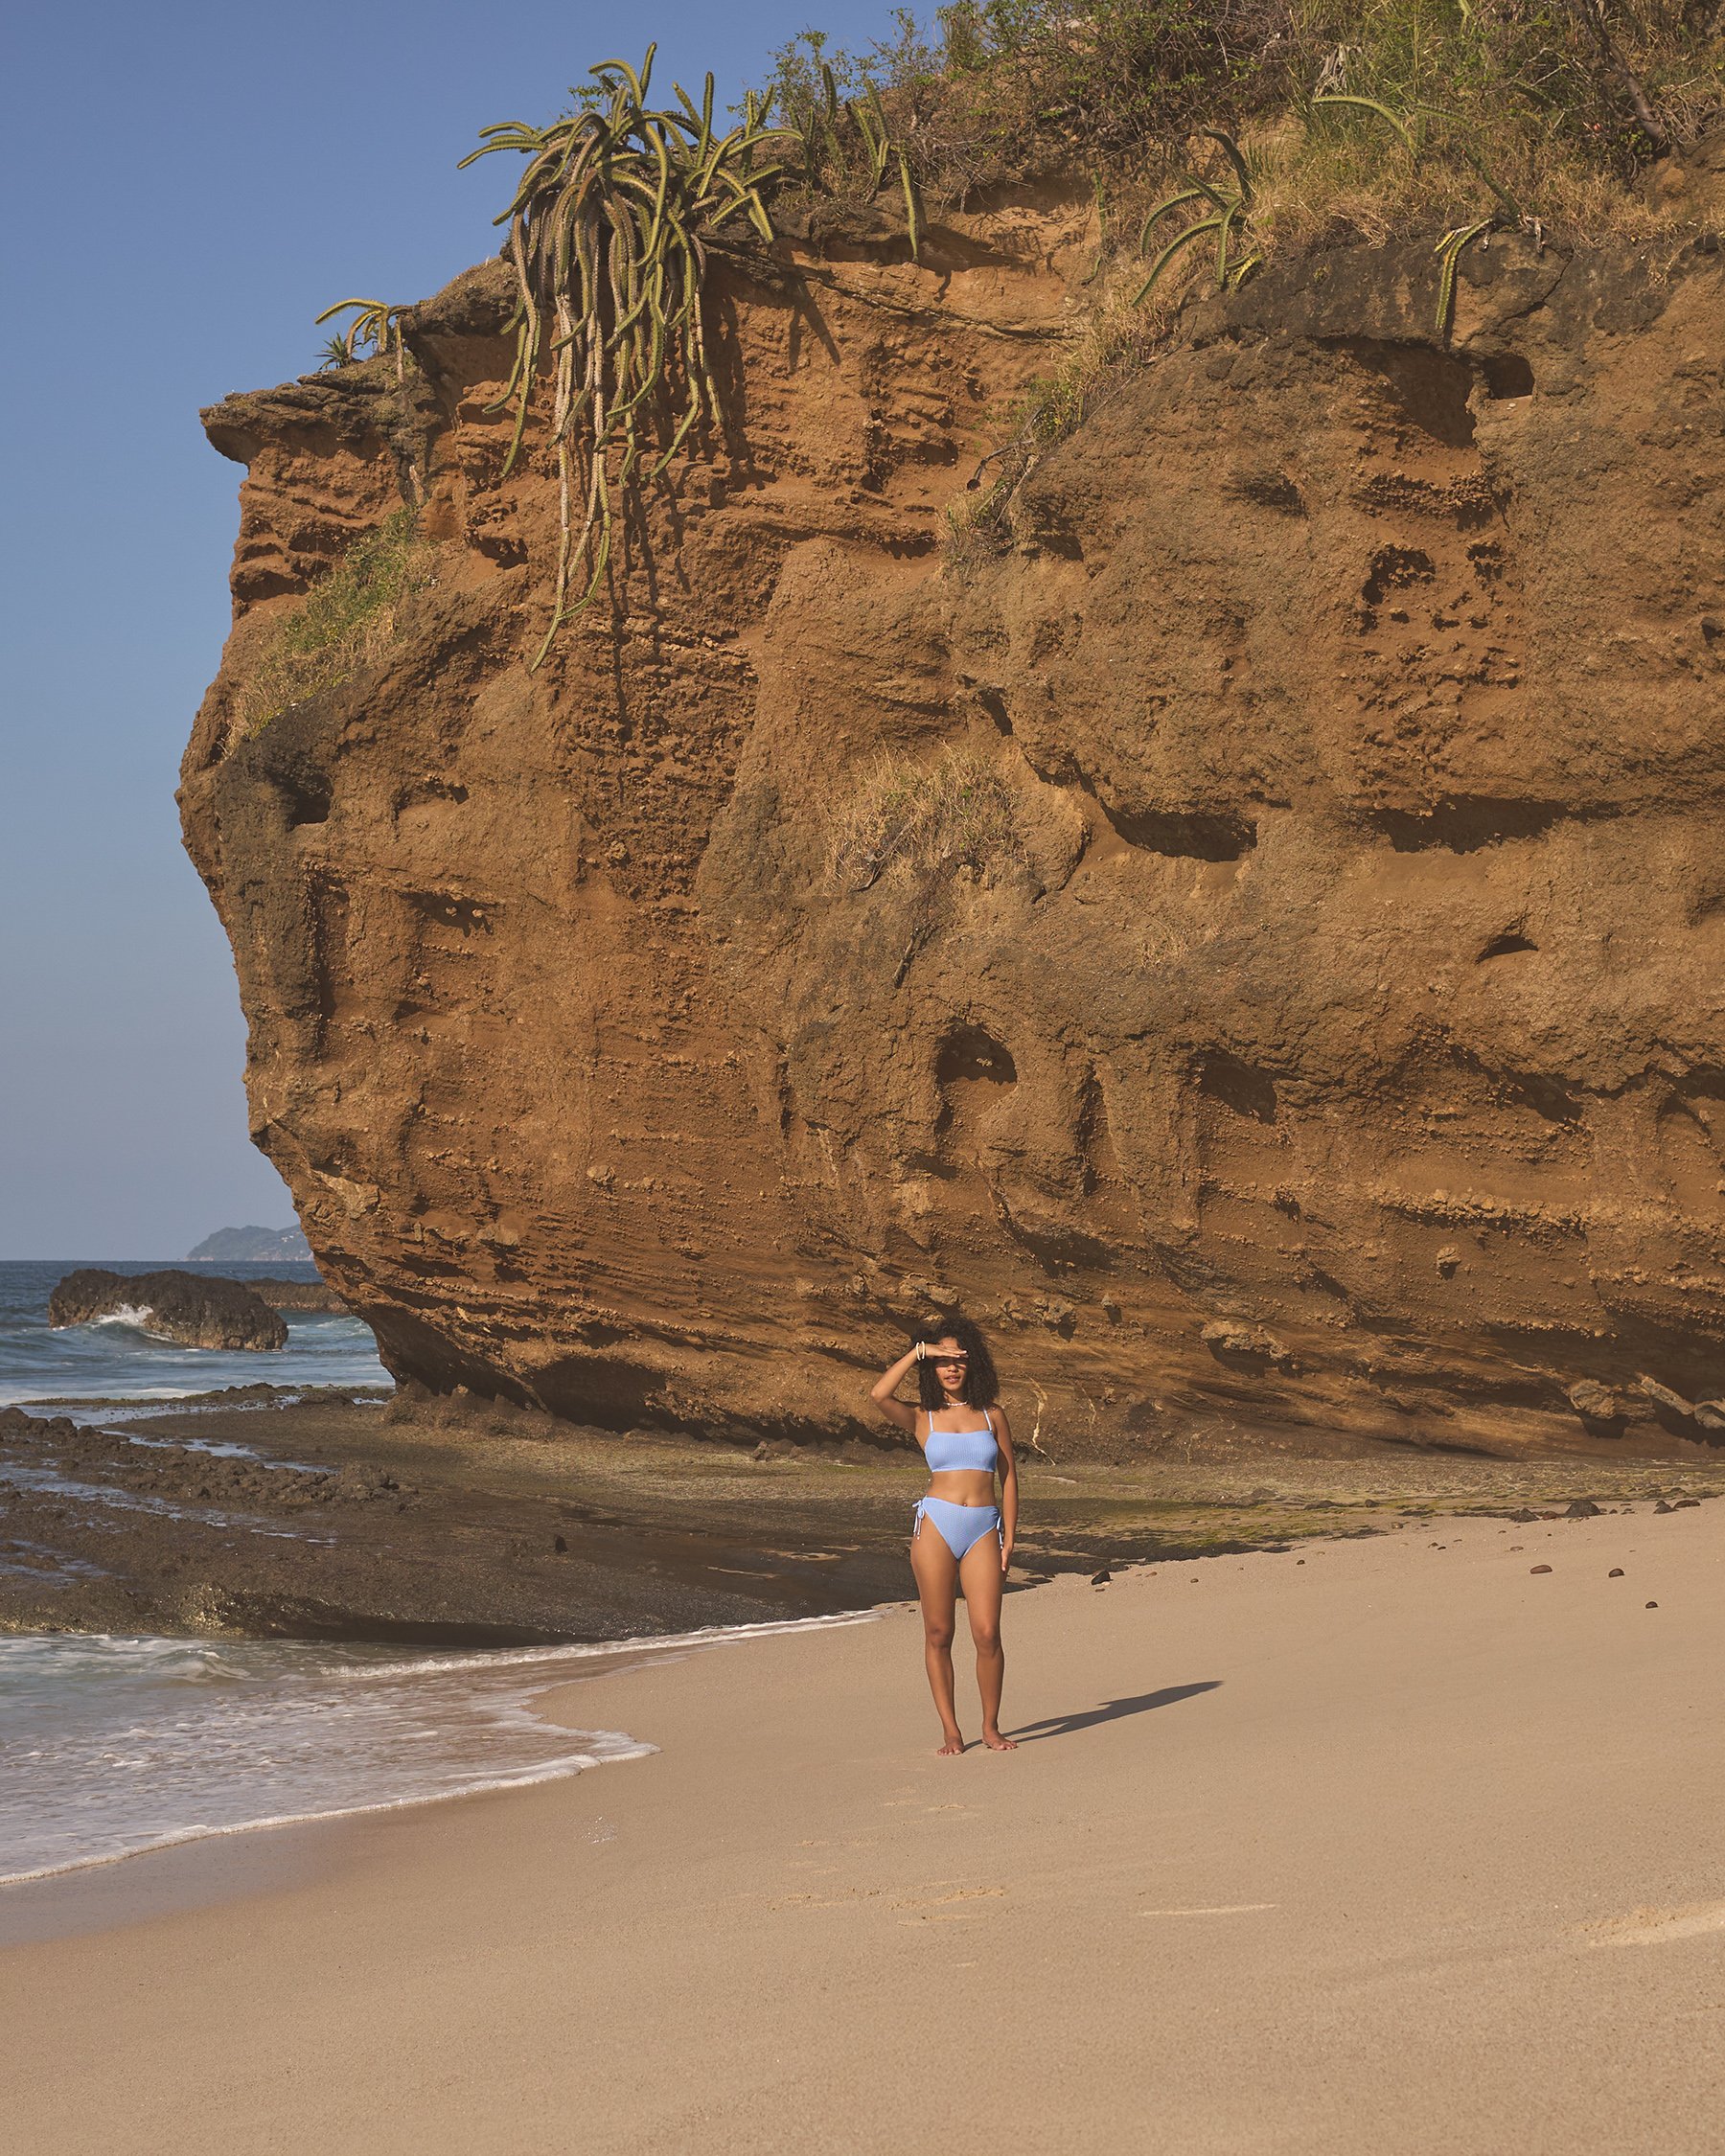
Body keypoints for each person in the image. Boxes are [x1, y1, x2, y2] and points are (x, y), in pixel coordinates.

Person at [870, 1318, 1020, 1755]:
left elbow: (1008, 1476)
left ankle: (990, 1727)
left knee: (988, 1633)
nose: (952, 1368)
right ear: (932, 1369)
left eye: (959, 1360)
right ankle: (952, 1730)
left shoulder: (993, 1415)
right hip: (936, 1525)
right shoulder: (923, 1418)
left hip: (982, 1529)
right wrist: (921, 1351)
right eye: (944, 1362)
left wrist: (1010, 1537)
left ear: (974, 1365)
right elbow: (878, 1395)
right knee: (938, 1632)